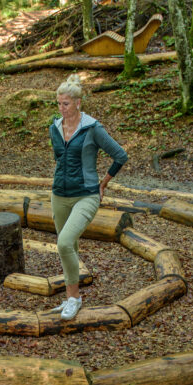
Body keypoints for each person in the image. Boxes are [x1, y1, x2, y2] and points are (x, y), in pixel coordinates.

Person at [49, 73, 128, 320]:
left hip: (87, 195)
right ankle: (71, 298)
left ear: (78, 103)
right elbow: (60, 160)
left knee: (63, 242)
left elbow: (120, 155)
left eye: (66, 104)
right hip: (59, 195)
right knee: (68, 246)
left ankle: (74, 299)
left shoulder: (93, 128)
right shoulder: (54, 128)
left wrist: (103, 183)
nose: (62, 108)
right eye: (59, 104)